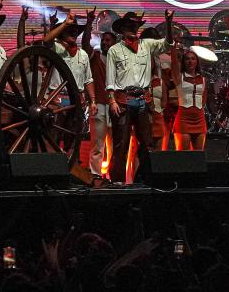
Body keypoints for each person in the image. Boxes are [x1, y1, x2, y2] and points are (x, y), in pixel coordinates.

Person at [106, 9, 174, 184]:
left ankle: (143, 180)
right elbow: (110, 78)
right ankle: (118, 182)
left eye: (135, 25)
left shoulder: (147, 44)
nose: (133, 28)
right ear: (122, 29)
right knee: (121, 144)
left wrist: (168, 23)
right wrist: (112, 100)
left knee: (147, 143)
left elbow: (168, 45)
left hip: (143, 99)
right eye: (129, 25)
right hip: (122, 100)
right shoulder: (114, 50)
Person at [85, 10, 116, 176]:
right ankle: (96, 175)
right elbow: (85, 44)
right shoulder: (95, 57)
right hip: (100, 105)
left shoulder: (119, 60)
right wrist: (89, 23)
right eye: (103, 40)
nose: (104, 43)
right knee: (98, 144)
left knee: (115, 144)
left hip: (115, 105)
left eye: (108, 41)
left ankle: (112, 175)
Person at [172, 47, 208, 151]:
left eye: (193, 58)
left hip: (199, 119)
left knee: (198, 155)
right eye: (187, 59)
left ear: (197, 61)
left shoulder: (203, 79)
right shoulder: (179, 77)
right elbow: (174, 64)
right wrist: (172, 48)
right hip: (183, 118)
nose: (190, 61)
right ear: (183, 61)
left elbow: (203, 100)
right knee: (183, 155)